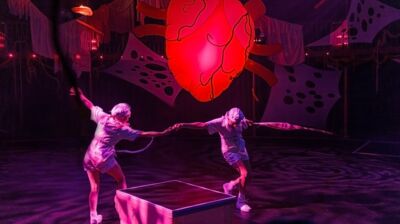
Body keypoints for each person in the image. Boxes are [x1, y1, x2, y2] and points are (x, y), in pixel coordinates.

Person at [70, 88, 172, 224]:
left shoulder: (103, 117)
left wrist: (81, 95)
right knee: (121, 180)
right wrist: (163, 133)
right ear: (124, 116)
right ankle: (123, 216)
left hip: (89, 156)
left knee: (94, 187)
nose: (129, 118)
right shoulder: (121, 129)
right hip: (102, 158)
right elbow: (142, 134)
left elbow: (90, 105)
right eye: (128, 116)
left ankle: (93, 217)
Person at [172, 107, 253, 212]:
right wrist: (184, 125)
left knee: (248, 176)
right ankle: (240, 202)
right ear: (228, 118)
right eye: (233, 123)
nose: (235, 125)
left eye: (237, 122)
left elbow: (243, 123)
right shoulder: (219, 122)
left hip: (241, 148)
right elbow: (202, 125)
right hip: (230, 151)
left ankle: (230, 185)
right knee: (245, 173)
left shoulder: (240, 119)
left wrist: (247, 122)